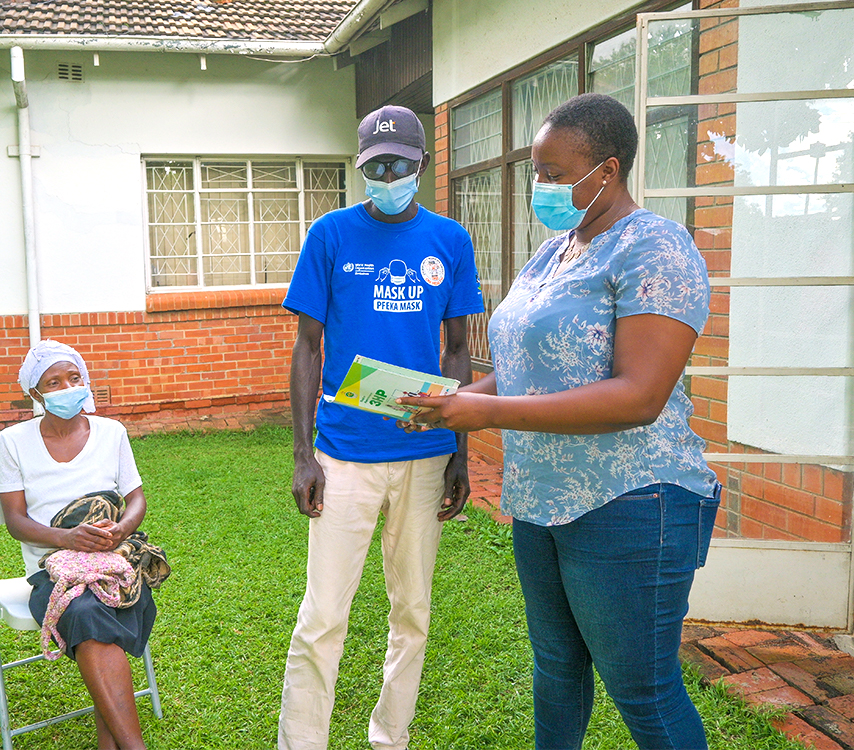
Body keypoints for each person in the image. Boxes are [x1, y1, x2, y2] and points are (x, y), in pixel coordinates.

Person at [399, 93, 721, 750]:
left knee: (645, 690)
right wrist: (451, 398)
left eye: (553, 172)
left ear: (606, 170)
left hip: (632, 500)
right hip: (542, 501)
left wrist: (482, 409)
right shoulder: (554, 252)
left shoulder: (656, 247)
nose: (540, 186)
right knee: (557, 670)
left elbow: (639, 396)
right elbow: (525, 366)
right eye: (536, 171)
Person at [277, 104, 485, 750]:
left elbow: (456, 353)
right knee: (322, 617)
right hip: (342, 456)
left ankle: (389, 738)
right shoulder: (331, 235)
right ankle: (301, 742)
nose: (386, 174)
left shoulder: (450, 240)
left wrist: (459, 452)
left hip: (424, 456)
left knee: (412, 614)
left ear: (421, 165)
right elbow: (308, 347)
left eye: (398, 164)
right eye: (375, 166)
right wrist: (303, 456)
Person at [0, 339, 155, 750]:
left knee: (102, 607)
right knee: (86, 610)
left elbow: (136, 499)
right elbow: (15, 521)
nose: (67, 387)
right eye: (54, 382)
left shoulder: (111, 432)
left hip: (114, 558)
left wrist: (122, 529)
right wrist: (68, 538)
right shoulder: (12, 442)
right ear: (35, 393)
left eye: (74, 377)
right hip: (52, 569)